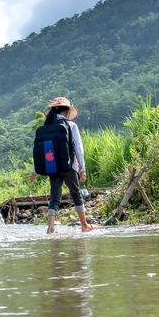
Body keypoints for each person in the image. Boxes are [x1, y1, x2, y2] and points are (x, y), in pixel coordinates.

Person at [31, 97, 96, 235]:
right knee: (76, 194)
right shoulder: (71, 126)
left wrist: (34, 170)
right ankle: (84, 225)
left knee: (54, 197)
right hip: (69, 166)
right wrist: (82, 169)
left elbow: (40, 151)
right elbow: (78, 148)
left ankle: (50, 228)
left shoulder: (46, 127)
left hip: (52, 167)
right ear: (66, 111)